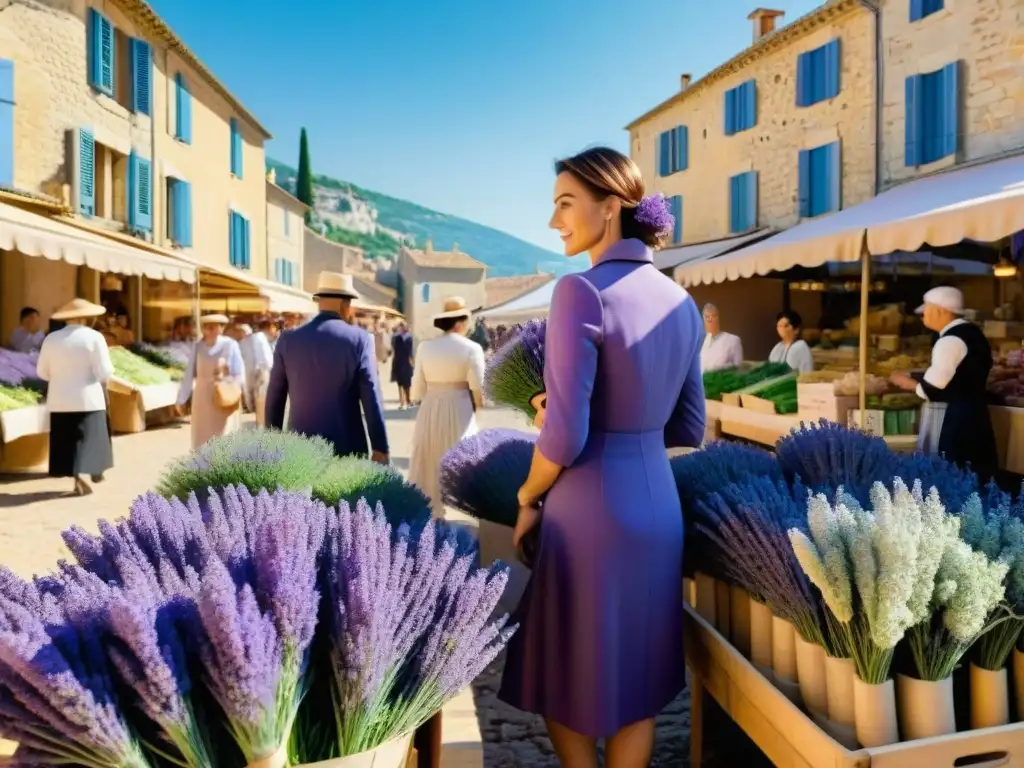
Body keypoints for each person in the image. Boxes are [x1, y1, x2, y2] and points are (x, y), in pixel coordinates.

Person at [499, 147, 705, 767]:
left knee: (563, 680)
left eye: (565, 203)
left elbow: (562, 439)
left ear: (610, 208)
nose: (554, 219)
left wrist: (527, 496)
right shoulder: (683, 302)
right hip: (656, 509)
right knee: (633, 691)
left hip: (590, 512)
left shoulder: (580, 291)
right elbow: (689, 425)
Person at [265, 272, 389, 462]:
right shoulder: (359, 340)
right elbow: (370, 394)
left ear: (319, 301)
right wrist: (380, 446)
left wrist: (271, 442)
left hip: (299, 446)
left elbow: (275, 397)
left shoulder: (287, 340)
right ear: (345, 304)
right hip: (347, 447)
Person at [890, 286, 998, 482]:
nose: (923, 315)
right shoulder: (972, 333)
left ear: (941, 310)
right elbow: (961, 372)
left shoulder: (949, 340)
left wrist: (910, 383)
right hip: (975, 414)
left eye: (927, 310)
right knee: (976, 476)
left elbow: (934, 386)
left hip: (957, 419)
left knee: (956, 473)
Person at [407, 297, 486, 517]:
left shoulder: (425, 348)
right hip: (460, 407)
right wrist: (478, 409)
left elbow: (417, 390)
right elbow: (479, 389)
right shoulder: (472, 348)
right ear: (460, 322)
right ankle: (458, 513)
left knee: (429, 459)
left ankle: (431, 513)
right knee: (461, 460)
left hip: (431, 408)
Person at [36, 298, 114, 496]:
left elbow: (42, 372)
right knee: (90, 437)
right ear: (85, 317)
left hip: (60, 399)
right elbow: (105, 371)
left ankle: (76, 475)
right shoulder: (94, 338)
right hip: (88, 398)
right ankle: (92, 471)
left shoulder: (51, 339)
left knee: (67, 440)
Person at [175, 314, 245, 449]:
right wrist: (181, 398)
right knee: (202, 435)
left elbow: (239, 373)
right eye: (207, 327)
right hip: (201, 399)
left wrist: (233, 390)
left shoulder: (230, 345)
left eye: (214, 327)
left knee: (222, 434)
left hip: (222, 396)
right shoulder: (198, 346)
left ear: (221, 329)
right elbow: (189, 373)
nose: (210, 330)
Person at [240, 321, 275, 425]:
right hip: (262, 373)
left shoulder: (246, 340)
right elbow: (267, 360)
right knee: (262, 402)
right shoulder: (261, 338)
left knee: (257, 404)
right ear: (268, 327)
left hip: (253, 374)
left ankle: (260, 425)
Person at [699, 303, 744, 372]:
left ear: (718, 318)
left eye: (713, 316)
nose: (710, 320)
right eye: (707, 317)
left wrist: (722, 368)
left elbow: (739, 369)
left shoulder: (733, 340)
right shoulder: (701, 342)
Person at [391, 321, 415, 409]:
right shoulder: (408, 337)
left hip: (398, 361)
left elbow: (393, 348)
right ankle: (406, 401)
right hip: (404, 362)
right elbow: (410, 352)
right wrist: (412, 361)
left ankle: (403, 401)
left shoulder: (395, 337)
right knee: (405, 382)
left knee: (401, 382)